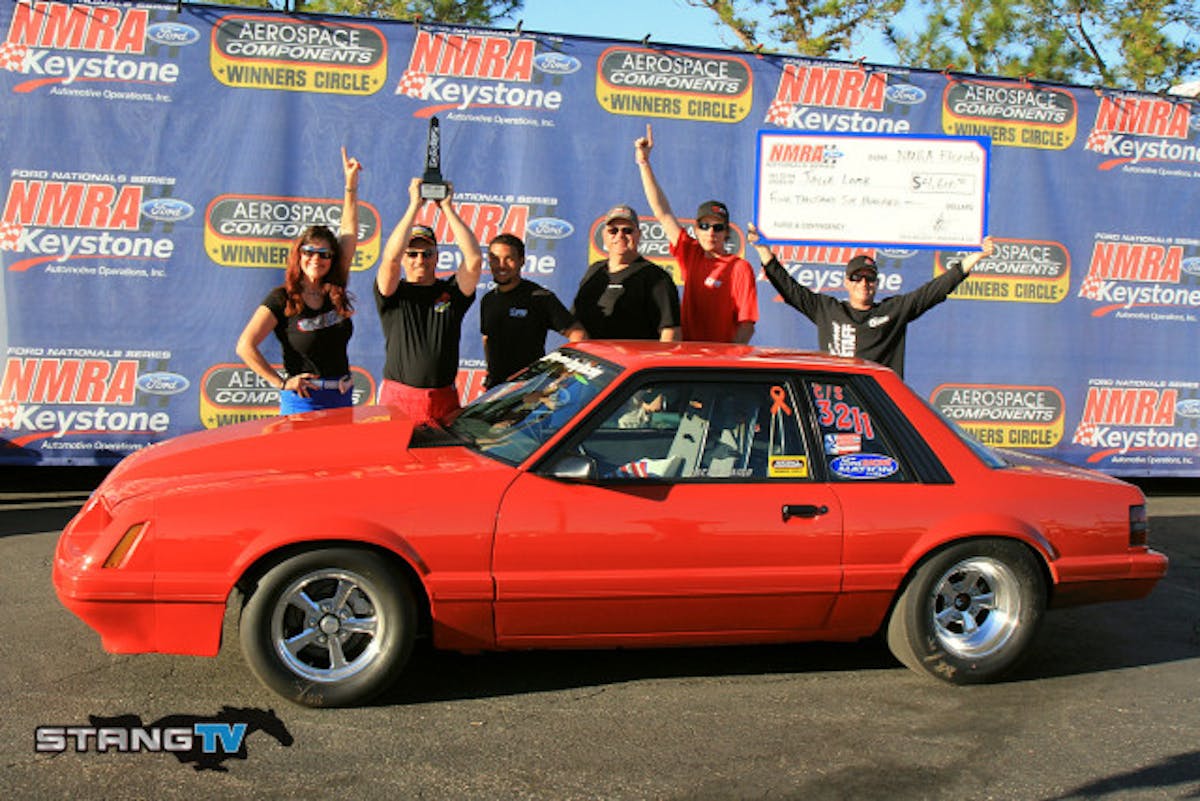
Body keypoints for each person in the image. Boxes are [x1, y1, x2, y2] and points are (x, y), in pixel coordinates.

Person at [749, 223, 996, 378]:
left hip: (878, 405)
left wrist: (977, 257)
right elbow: (790, 289)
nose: (864, 284)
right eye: (857, 278)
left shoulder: (893, 311)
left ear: (876, 284)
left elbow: (934, 290)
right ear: (846, 282)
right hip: (836, 401)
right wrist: (762, 250)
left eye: (870, 279)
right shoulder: (827, 309)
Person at [236, 147, 362, 414]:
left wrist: (350, 186)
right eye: (309, 252)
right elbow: (245, 346)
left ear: (332, 258)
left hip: (341, 399)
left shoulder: (334, 289)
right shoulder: (281, 298)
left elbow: (349, 234)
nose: (316, 259)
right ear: (299, 255)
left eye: (324, 254)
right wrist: (281, 383)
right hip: (303, 402)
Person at [634, 124, 757, 343]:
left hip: (720, 364)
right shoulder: (691, 254)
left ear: (727, 232)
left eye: (718, 227)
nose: (711, 232)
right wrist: (643, 163)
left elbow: (746, 326)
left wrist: (729, 363)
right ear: (696, 230)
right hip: (687, 358)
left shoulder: (740, 268)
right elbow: (662, 212)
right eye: (705, 226)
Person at [375, 177, 482, 425]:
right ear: (404, 257)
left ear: (437, 257)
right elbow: (389, 259)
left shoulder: (451, 292)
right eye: (411, 253)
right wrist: (414, 205)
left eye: (427, 253)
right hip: (398, 400)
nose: (419, 259)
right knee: (395, 463)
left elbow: (474, 260)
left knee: (445, 463)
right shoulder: (392, 292)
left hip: (443, 400)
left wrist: (447, 207)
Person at [480, 233, 586, 389]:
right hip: (496, 390)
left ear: (521, 261)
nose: (501, 265)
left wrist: (561, 376)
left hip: (529, 389)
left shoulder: (540, 298)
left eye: (508, 259)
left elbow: (579, 335)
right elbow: (487, 339)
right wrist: (490, 375)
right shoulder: (488, 299)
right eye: (495, 259)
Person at [571, 204, 681, 341]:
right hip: (594, 360)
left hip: (631, 361)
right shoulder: (595, 271)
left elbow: (670, 331)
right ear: (604, 235)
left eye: (627, 230)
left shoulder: (656, 277)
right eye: (613, 231)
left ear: (639, 235)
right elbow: (576, 323)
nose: (620, 235)